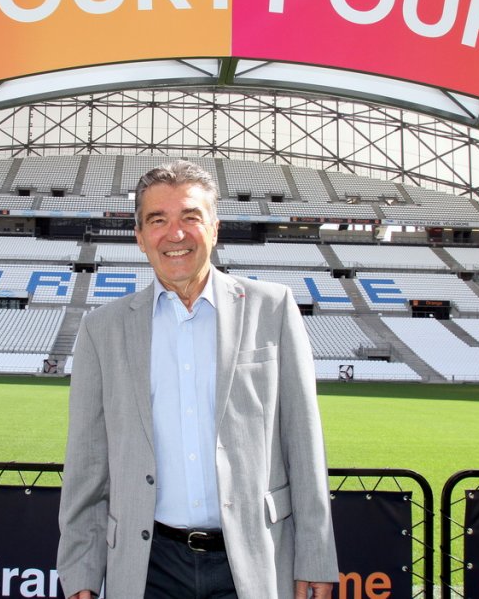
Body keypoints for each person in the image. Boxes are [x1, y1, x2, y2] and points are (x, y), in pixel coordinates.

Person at [57, 160, 337, 599]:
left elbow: (303, 443)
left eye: (191, 217)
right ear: (139, 236)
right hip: (147, 567)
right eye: (158, 220)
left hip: (253, 560)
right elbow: (87, 467)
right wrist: (81, 575)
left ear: (214, 228)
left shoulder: (273, 308)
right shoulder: (102, 330)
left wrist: (316, 558)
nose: (176, 234)